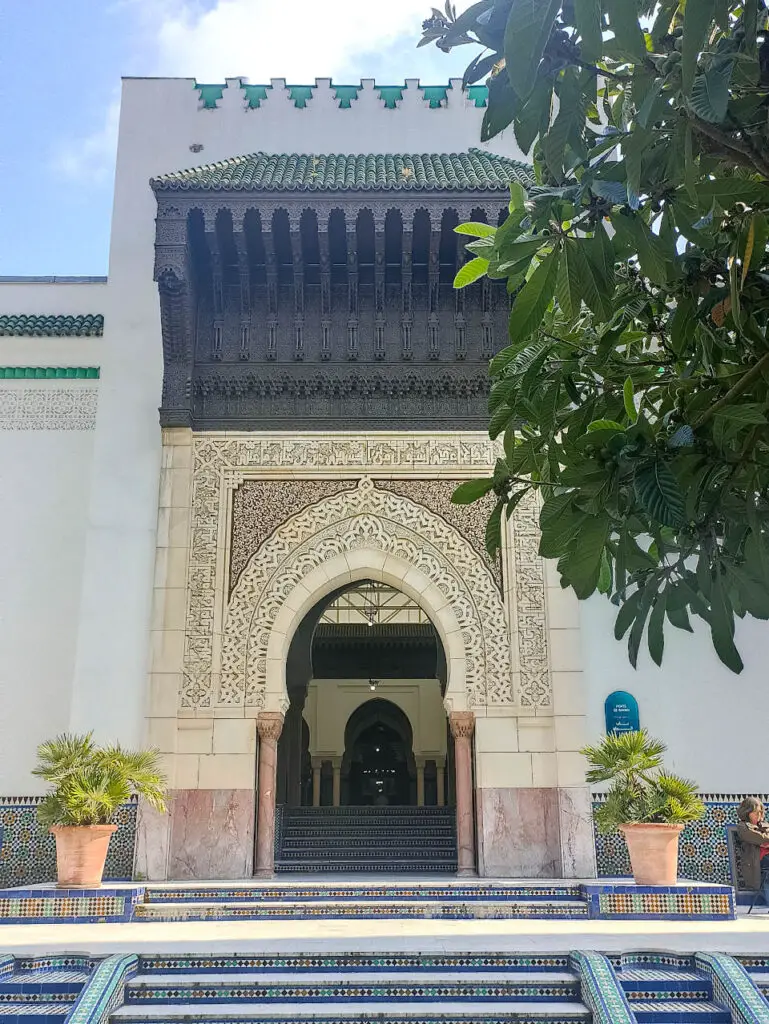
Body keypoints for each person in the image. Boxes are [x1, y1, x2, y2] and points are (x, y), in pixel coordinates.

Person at [736, 797, 769, 909]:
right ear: (747, 812)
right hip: (757, 862)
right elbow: (759, 838)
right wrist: (763, 841)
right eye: (755, 813)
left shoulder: (764, 825)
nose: (759, 816)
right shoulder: (743, 827)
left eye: (760, 812)